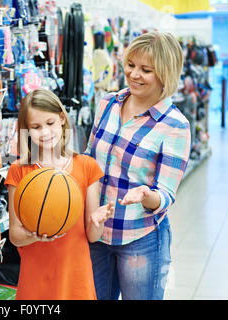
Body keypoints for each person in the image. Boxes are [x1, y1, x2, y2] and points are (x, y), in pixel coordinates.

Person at [85, 31, 191, 300]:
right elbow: (90, 161)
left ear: (165, 74)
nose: (134, 74)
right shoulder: (108, 103)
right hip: (96, 233)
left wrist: (147, 195)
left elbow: (166, 195)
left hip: (139, 237)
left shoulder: (175, 125)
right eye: (131, 65)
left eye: (146, 70)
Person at [4, 88, 114, 300]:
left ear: (62, 119)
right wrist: (34, 236)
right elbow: (15, 236)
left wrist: (98, 221)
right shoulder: (19, 171)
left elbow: (92, 236)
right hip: (36, 277)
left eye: (50, 123)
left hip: (75, 277)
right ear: (25, 130)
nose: (45, 132)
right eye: (35, 127)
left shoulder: (86, 166)